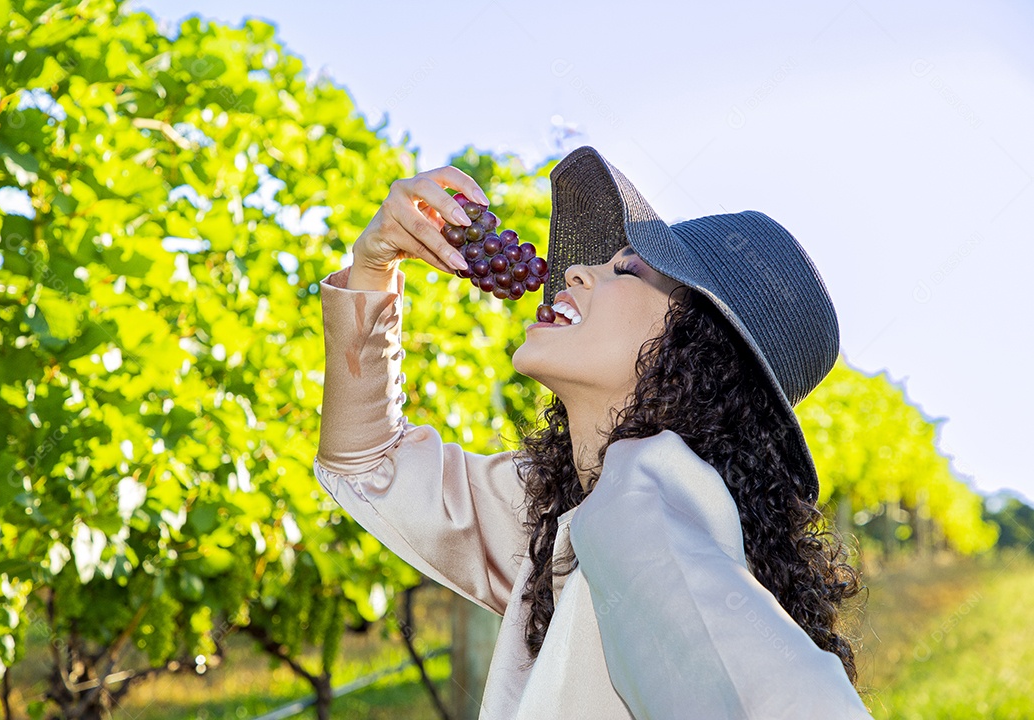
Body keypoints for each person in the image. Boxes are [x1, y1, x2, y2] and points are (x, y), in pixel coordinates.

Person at [313, 146, 873, 718]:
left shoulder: (642, 494)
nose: (578, 270)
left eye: (626, 269)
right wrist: (373, 267)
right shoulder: (569, 512)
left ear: (696, 353)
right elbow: (369, 463)